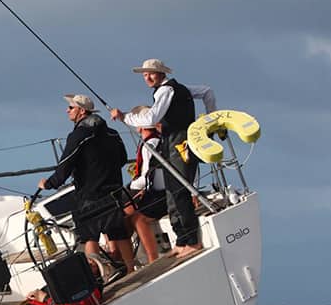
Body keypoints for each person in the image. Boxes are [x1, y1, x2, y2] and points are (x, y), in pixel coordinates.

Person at [110, 59, 217, 258]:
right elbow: (207, 91)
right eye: (144, 75)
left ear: (161, 73)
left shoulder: (165, 91)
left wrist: (125, 117)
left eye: (151, 73)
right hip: (174, 142)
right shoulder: (180, 89)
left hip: (178, 143)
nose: (147, 78)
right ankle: (182, 241)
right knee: (171, 192)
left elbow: (152, 118)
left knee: (179, 191)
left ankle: (193, 241)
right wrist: (211, 117)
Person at [38, 94, 135, 274]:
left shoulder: (79, 135)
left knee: (90, 236)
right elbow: (122, 158)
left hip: (90, 193)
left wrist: (49, 183)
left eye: (71, 108)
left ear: (82, 111)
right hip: (113, 190)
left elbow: (65, 165)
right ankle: (131, 269)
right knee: (118, 231)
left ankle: (99, 276)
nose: (67, 110)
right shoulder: (112, 134)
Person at [123, 106, 168, 263]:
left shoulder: (150, 145)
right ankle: (127, 257)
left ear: (141, 126)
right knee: (123, 213)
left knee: (136, 218)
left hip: (160, 193)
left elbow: (148, 175)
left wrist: (131, 186)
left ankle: (151, 258)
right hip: (157, 189)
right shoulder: (156, 141)